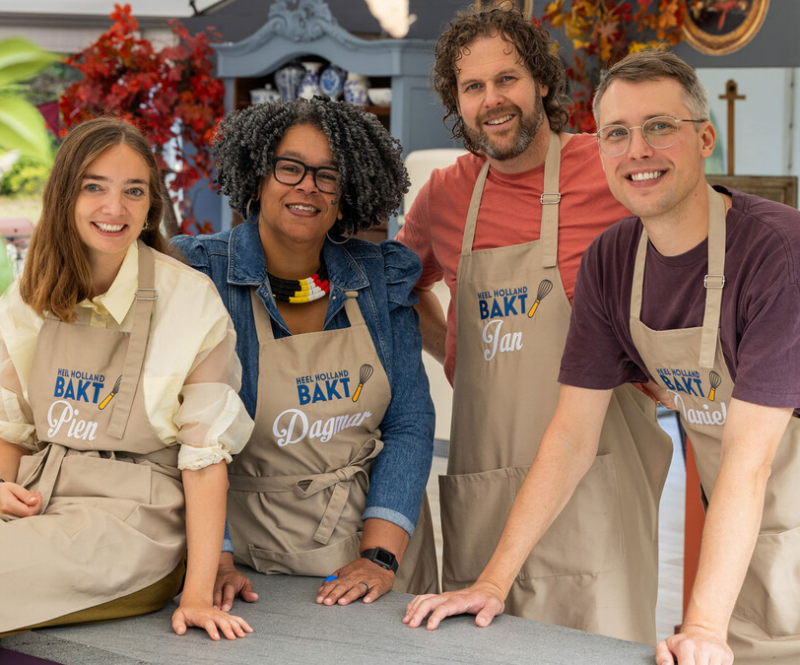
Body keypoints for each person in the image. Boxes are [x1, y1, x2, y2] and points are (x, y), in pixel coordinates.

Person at [406, 48, 800, 664]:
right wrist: (492, 582)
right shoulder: (613, 261)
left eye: (659, 126)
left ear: (704, 139)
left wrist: (701, 624)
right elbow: (571, 436)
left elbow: (750, 460)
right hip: (748, 533)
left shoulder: (778, 252)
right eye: (617, 133)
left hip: (762, 496)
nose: (637, 150)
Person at [396, 5, 672, 643]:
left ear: (543, 81)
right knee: (479, 646)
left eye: (507, 79)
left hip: (597, 476)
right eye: (473, 86)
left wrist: (662, 367)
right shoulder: (443, 196)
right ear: (457, 102)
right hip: (486, 478)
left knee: (598, 645)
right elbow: (403, 291)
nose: (492, 100)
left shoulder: (612, 170)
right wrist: (454, 351)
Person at [173, 96, 438, 610]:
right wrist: (214, 558)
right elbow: (181, 437)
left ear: (346, 193)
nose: (308, 186)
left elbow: (409, 422)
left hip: (377, 558)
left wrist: (379, 557)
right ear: (257, 177)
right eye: (289, 167)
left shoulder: (379, 279)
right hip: (247, 568)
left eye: (328, 175)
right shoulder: (203, 276)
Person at [0, 118, 254, 640]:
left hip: (134, 523)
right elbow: (12, 426)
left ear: (150, 207)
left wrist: (197, 595)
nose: (114, 208)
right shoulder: (31, 288)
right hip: (39, 497)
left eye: (133, 191)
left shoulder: (189, 300)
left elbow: (205, 461)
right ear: (64, 195)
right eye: (94, 187)